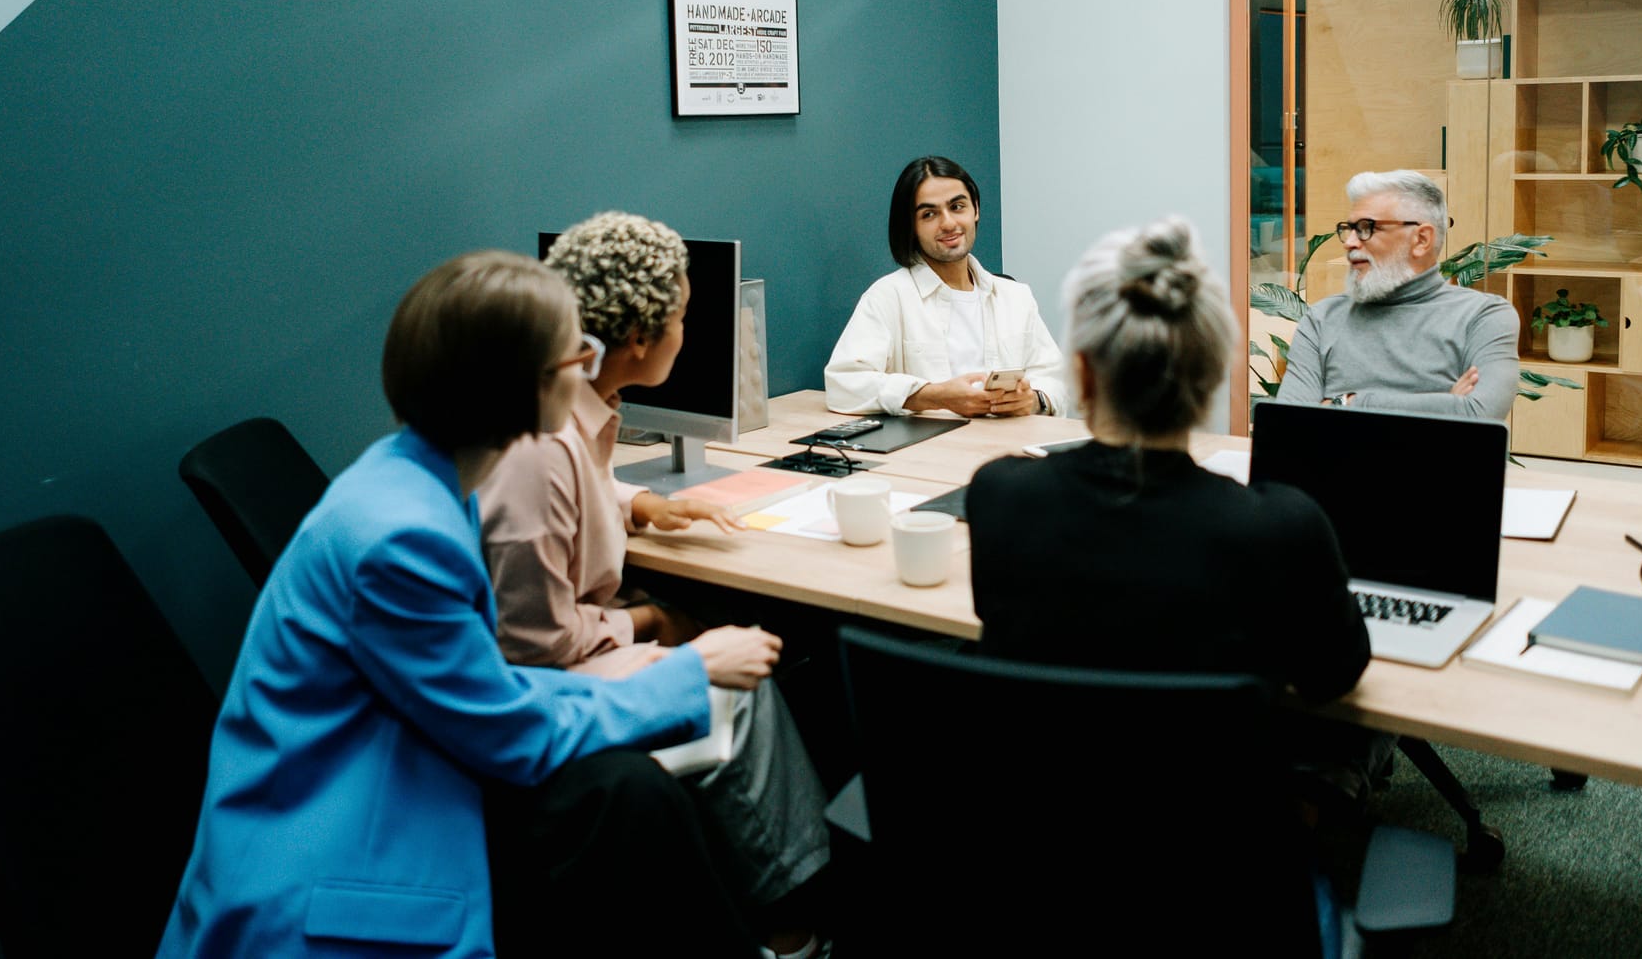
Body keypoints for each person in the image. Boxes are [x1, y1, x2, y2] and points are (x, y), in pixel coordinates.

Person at [158, 251, 777, 959]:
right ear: (521, 389)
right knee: (629, 799)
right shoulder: (403, 539)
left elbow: (480, 684)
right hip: (323, 890)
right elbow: (511, 731)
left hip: (373, 777)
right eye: (576, 353)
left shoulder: (411, 476)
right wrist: (689, 668)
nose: (589, 364)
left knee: (624, 797)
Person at [479, 214, 830, 959]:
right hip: (544, 692)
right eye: (680, 317)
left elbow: (584, 493)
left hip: (568, 650)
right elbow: (531, 646)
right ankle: (792, 923)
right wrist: (651, 620)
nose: (685, 331)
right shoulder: (538, 447)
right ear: (638, 339)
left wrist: (645, 504)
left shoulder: (570, 403)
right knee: (745, 671)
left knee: (722, 628)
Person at [965, 217, 1368, 694]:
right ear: (1215, 376)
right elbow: (1333, 676)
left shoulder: (1000, 494)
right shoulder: (1284, 529)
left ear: (1085, 375)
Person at [824, 155, 1069, 417]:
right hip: (933, 451)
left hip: (1011, 446)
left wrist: (1034, 400)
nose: (948, 223)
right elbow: (844, 384)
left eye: (957, 206)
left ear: (975, 209)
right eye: (929, 214)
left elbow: (1057, 381)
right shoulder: (888, 297)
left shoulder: (1015, 297)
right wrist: (932, 396)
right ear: (911, 226)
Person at [1275, 169, 1520, 420]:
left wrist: (1347, 403)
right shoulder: (1323, 319)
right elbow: (1289, 424)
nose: (1349, 242)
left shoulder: (1482, 316)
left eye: (1366, 227)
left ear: (1421, 239)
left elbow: (1478, 415)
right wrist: (1445, 405)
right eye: (1349, 228)